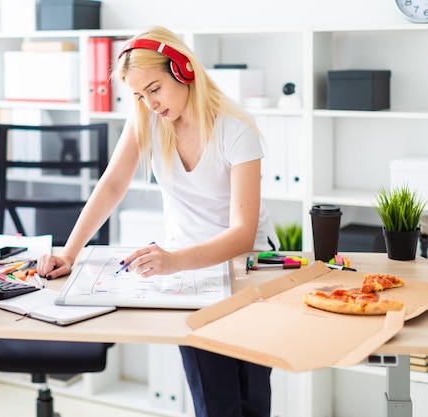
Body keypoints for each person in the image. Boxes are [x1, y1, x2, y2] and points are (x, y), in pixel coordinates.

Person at [37, 26, 279, 417]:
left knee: (252, 398)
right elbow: (113, 184)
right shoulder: (147, 123)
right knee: (215, 403)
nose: (149, 103)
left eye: (154, 88)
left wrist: (173, 260)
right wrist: (69, 251)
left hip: (245, 270)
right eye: (138, 95)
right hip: (189, 278)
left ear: (184, 71)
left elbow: (242, 233)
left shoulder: (236, 130)